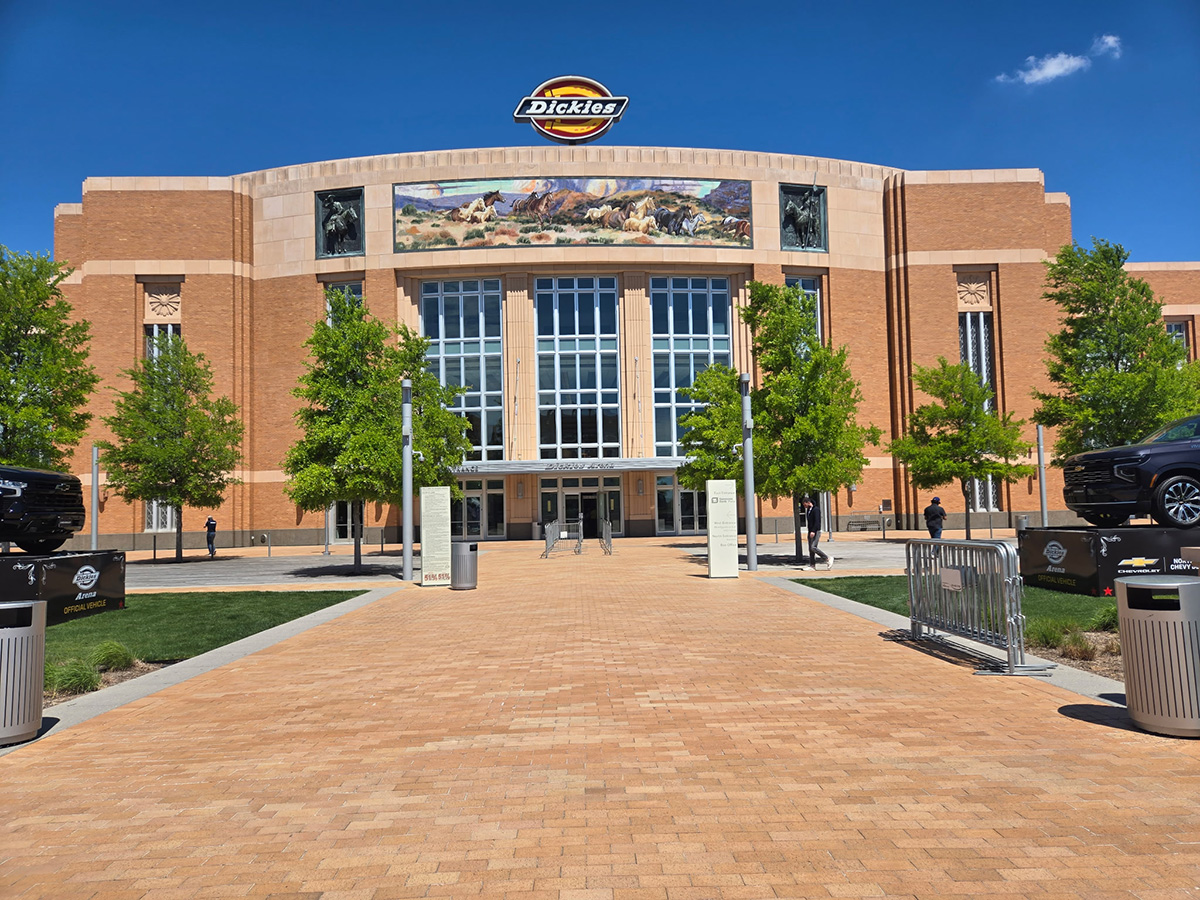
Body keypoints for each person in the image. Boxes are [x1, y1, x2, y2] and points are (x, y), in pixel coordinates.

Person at [802, 496, 831, 570]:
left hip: (816, 531)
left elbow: (817, 522)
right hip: (810, 531)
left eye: (805, 504)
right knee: (810, 549)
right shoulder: (809, 510)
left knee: (813, 547)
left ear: (808, 502)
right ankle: (812, 565)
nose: (804, 506)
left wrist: (813, 531)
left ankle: (827, 558)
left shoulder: (816, 510)